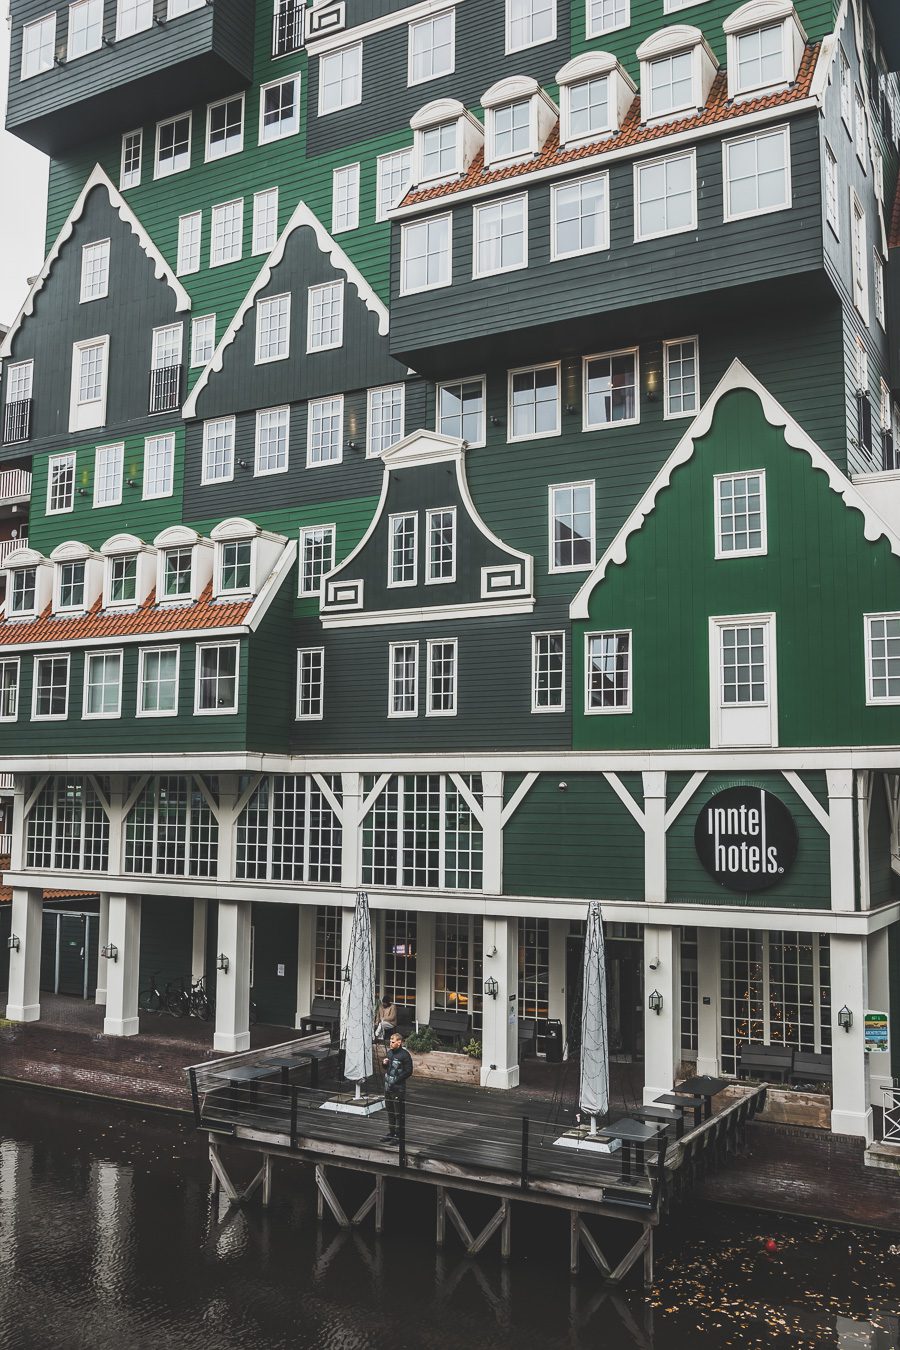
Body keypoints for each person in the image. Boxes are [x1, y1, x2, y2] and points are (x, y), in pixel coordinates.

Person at [381, 1029, 413, 1145]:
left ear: (399, 1042)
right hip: (387, 1086)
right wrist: (384, 1064)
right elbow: (388, 1069)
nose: (390, 1043)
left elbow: (409, 1071)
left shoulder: (405, 1055)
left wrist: (397, 1080)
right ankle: (392, 1132)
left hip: (398, 1089)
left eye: (393, 1041)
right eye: (390, 1041)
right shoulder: (389, 1053)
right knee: (390, 1111)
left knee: (398, 1113)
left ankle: (399, 1136)